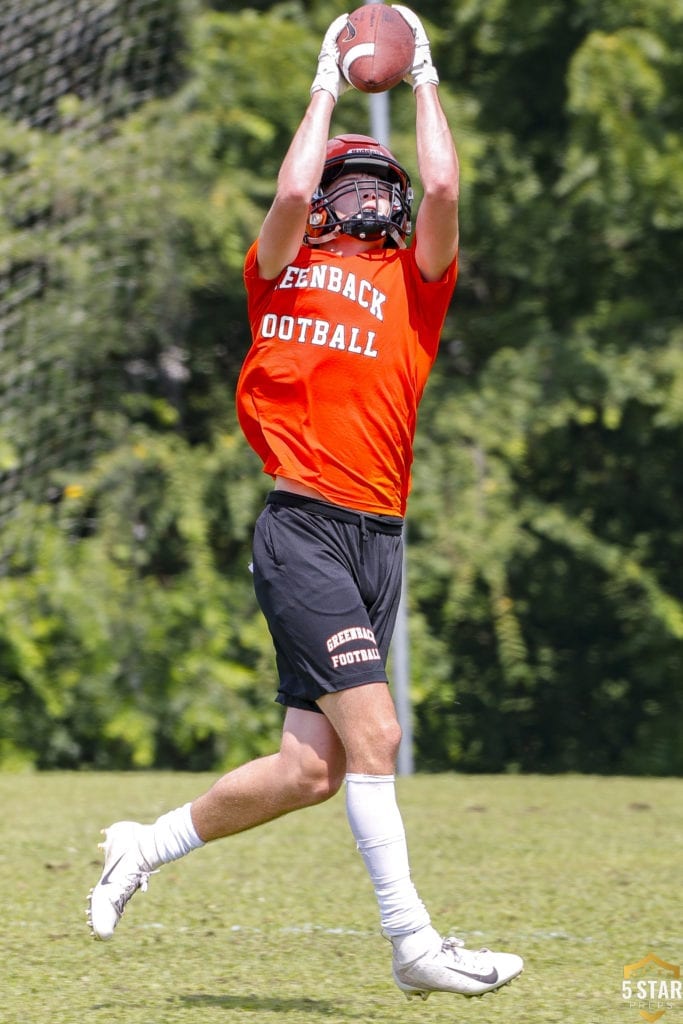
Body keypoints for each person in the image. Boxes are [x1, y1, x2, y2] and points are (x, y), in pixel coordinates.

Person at [87, 7, 523, 1001]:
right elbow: (289, 185)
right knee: (377, 736)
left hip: (378, 539)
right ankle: (412, 944)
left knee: (309, 769)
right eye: (350, 181)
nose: (370, 195)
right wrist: (327, 79)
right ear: (326, 198)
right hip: (303, 528)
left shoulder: (414, 281)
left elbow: (446, 181)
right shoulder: (279, 267)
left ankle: (137, 847)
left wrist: (420, 74)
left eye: (382, 184)